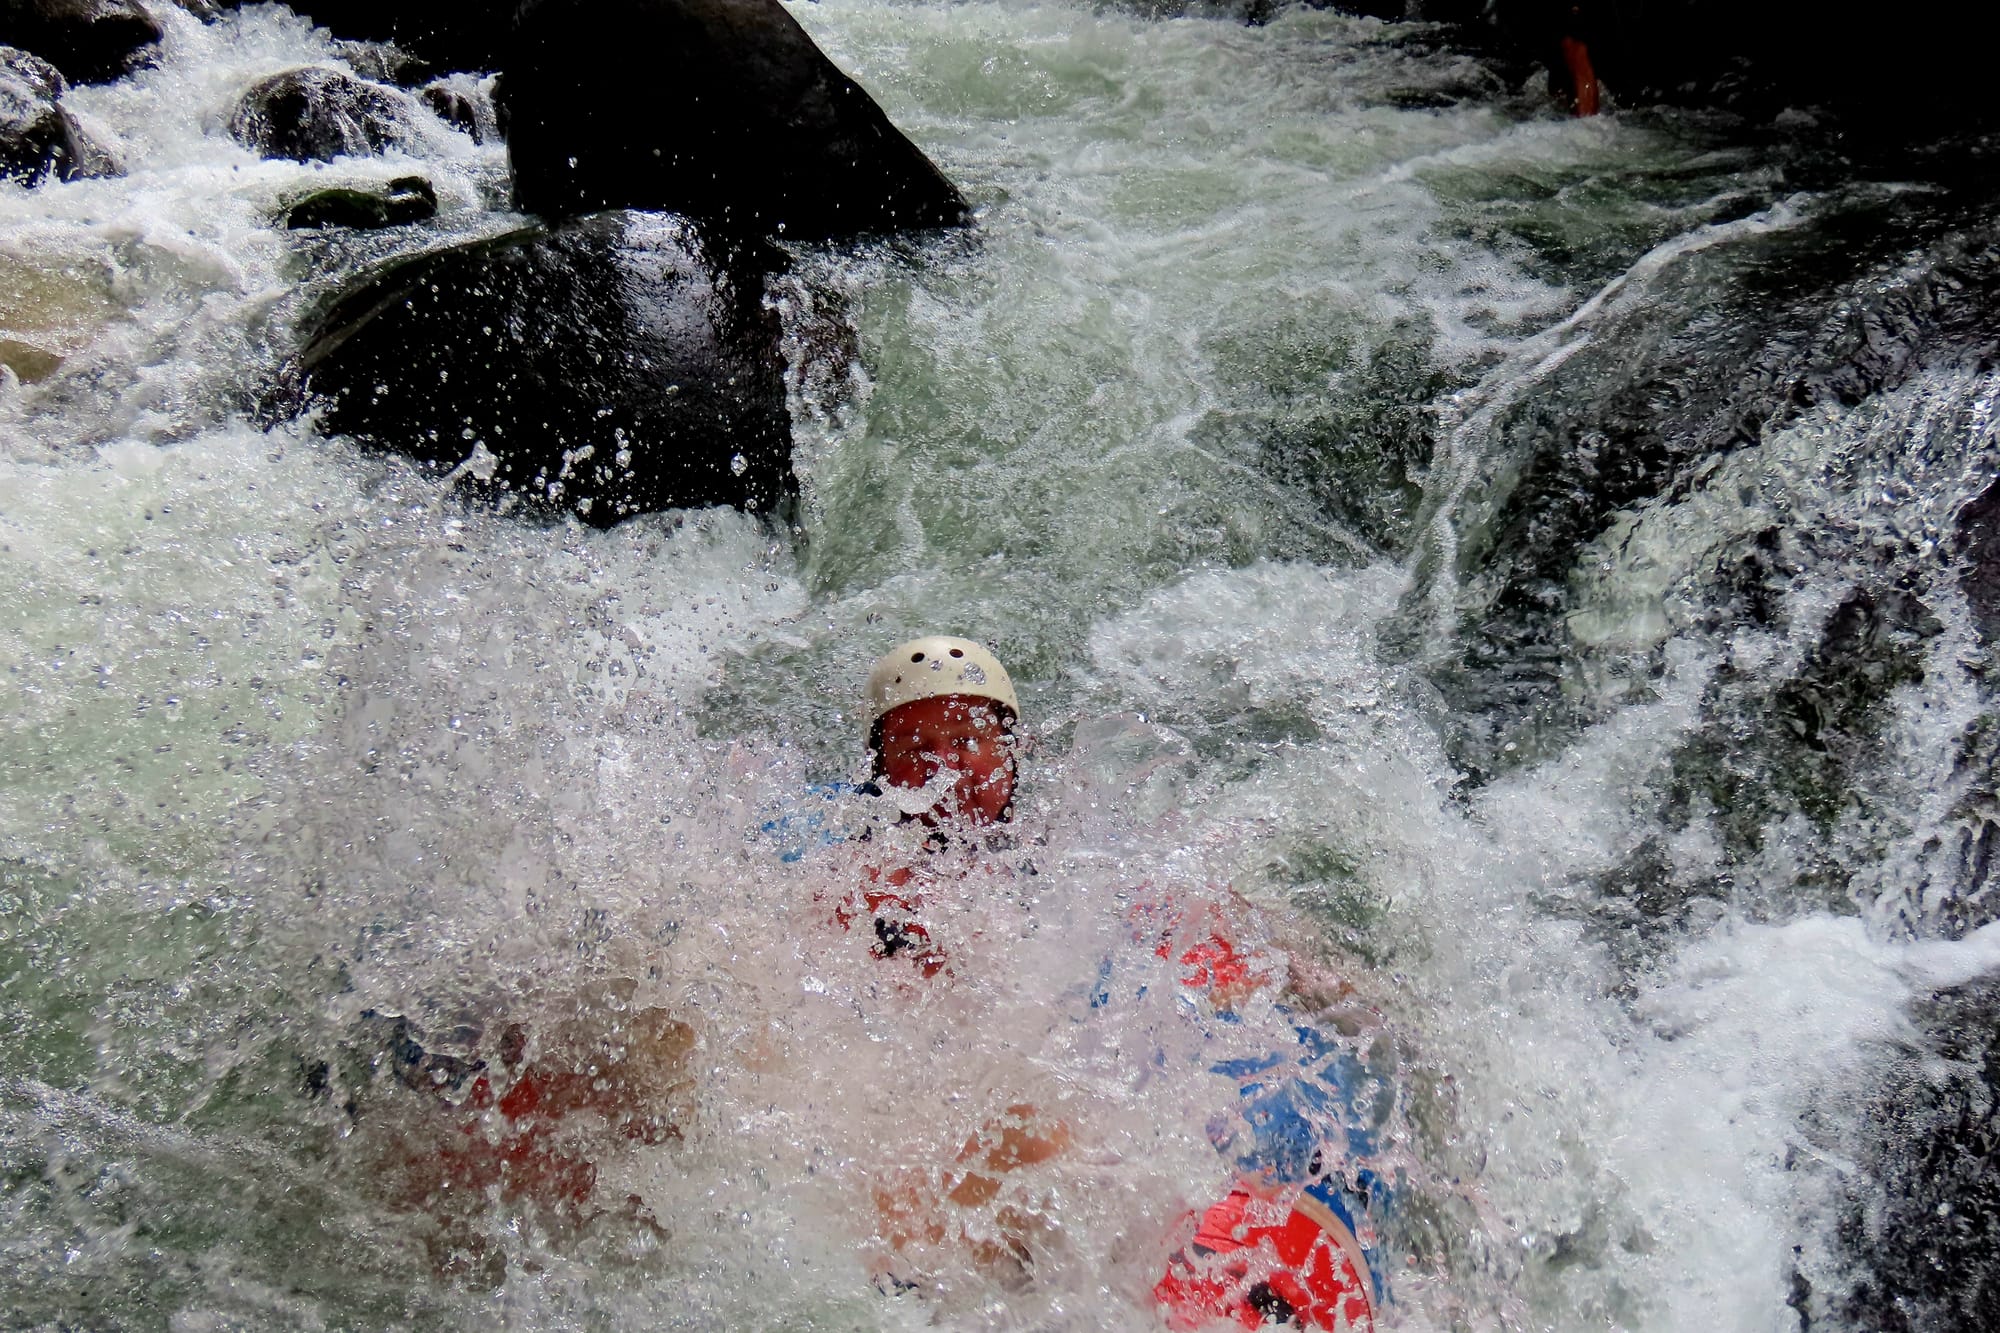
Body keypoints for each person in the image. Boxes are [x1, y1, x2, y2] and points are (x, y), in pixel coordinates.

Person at [833, 635, 1394, 1328]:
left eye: (968, 739)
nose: (947, 766)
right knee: (1030, 1133)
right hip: (967, 1143)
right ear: (879, 769)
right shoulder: (860, 888)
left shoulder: (1079, 858)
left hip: (1091, 1124)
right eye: (917, 749)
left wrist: (1341, 987)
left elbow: (1220, 935)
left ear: (1011, 754)